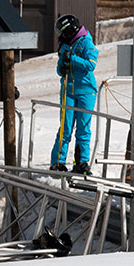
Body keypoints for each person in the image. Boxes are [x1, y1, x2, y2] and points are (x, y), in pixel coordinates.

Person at [49, 14, 98, 175]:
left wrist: (73, 59)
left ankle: (81, 162)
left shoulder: (86, 43)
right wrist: (61, 68)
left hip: (86, 91)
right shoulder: (65, 45)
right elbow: (60, 67)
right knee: (65, 127)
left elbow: (90, 65)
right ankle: (58, 161)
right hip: (68, 91)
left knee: (84, 128)